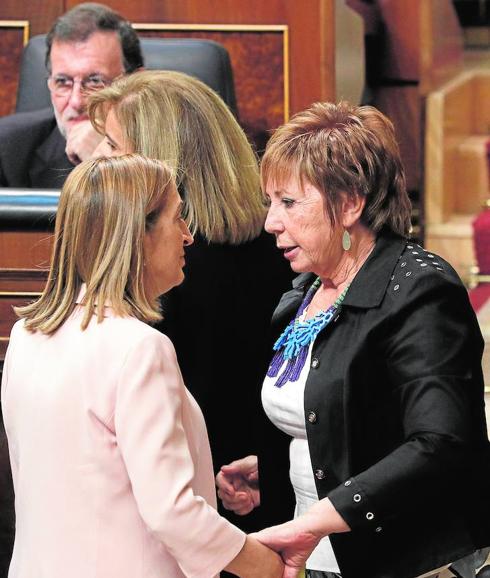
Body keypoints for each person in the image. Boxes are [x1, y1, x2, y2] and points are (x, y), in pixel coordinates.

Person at [216, 101, 490, 578]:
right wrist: (276, 470)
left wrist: (320, 518)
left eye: (289, 202)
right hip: (313, 557)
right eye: (270, 202)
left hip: (402, 561)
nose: (270, 223)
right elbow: (344, 419)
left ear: (348, 203)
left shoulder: (420, 289)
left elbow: (441, 442)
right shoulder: (305, 290)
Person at [1, 154, 284, 578]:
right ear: (137, 235)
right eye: (177, 219)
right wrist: (266, 565)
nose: (189, 236)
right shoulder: (138, 347)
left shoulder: (26, 335)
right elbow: (172, 513)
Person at [88, 70, 294, 531]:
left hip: (184, 511)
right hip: (266, 493)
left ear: (161, 162)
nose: (102, 160)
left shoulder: (155, 268)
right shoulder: (283, 244)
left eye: (116, 148)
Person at [0, 2, 143, 188]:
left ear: (136, 84)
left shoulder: (174, 145)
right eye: (63, 82)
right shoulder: (8, 148)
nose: (76, 102)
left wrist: (109, 165)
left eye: (95, 81)